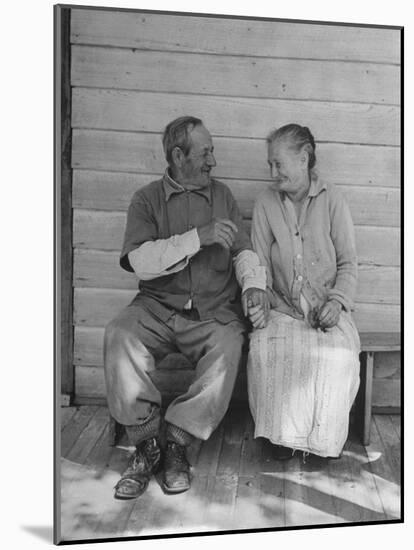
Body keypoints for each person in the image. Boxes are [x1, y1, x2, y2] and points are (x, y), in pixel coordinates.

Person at [104, 116, 267, 499]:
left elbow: (243, 251)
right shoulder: (146, 200)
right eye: (205, 152)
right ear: (179, 156)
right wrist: (198, 237)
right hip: (157, 308)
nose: (213, 160)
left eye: (212, 151)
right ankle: (147, 445)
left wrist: (254, 286)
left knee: (229, 347)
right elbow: (140, 260)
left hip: (212, 313)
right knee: (119, 334)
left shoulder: (223, 196)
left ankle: (177, 442)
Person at [246, 123, 360, 460]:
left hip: (327, 307)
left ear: (304, 158)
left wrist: (337, 303)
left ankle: (320, 444)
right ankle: (281, 439)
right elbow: (259, 265)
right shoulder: (266, 203)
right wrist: (261, 300)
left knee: (337, 358)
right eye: (270, 164)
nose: (272, 172)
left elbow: (349, 263)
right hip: (282, 307)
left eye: (278, 164)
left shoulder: (332, 199)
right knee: (265, 352)